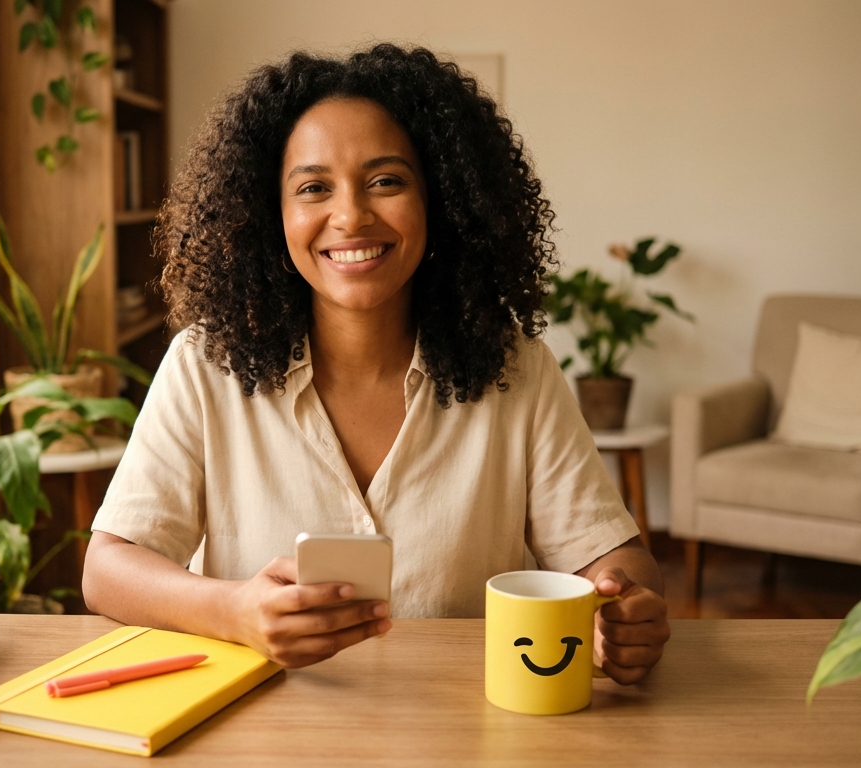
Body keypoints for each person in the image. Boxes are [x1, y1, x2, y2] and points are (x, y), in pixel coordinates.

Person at [83, 44, 670, 682]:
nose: (351, 216)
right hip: (256, 733)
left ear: (438, 199)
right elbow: (109, 568)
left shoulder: (517, 369)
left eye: (386, 181)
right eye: (313, 188)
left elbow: (614, 561)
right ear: (268, 213)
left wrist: (630, 609)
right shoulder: (204, 366)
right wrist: (232, 610)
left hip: (467, 733)